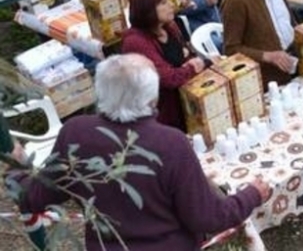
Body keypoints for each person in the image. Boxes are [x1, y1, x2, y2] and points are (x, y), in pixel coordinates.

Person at [16, 54, 271, 251]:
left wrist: (18, 168)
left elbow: (35, 196)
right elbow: (206, 218)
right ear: (152, 99)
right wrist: (252, 195)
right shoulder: (170, 144)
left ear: (101, 91)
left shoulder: (76, 133)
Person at [122, 0, 207, 132]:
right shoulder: (136, 42)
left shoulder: (170, 26)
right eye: (163, 3)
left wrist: (194, 63)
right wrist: (193, 67)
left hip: (186, 101)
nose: (171, 4)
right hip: (163, 116)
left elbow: (185, 56)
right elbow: (168, 79)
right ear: (147, 10)